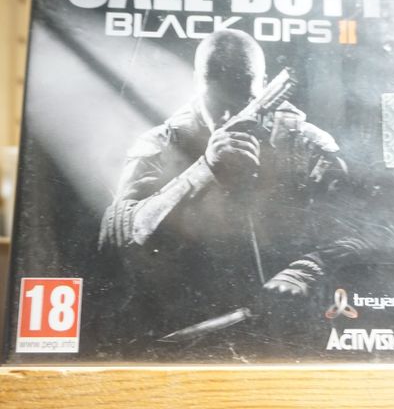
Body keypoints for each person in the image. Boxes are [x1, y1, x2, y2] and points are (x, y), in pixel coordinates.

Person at [98, 29, 356, 354]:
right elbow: (115, 237)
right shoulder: (160, 143)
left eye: (244, 99)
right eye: (218, 101)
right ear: (197, 83)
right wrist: (204, 170)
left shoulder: (306, 143)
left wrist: (305, 271)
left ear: (264, 85)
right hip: (184, 334)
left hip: (286, 336)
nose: (228, 117)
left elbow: (360, 231)